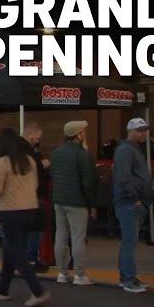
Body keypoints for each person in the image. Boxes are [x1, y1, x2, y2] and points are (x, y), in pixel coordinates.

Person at [0, 128, 51, 307]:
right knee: (11, 249)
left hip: (9, 210)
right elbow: (36, 184)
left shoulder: (2, 162)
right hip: (29, 208)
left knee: (16, 253)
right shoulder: (30, 161)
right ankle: (2, 289)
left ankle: (38, 291)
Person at [49, 120, 97, 286]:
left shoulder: (55, 152)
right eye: (83, 131)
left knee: (60, 236)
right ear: (78, 134)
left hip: (59, 199)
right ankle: (79, 274)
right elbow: (88, 181)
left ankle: (62, 273)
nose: (85, 134)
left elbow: (53, 174)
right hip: (77, 201)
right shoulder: (82, 154)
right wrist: (92, 205)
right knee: (78, 238)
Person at [113, 118, 154, 293]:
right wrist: (135, 198)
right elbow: (123, 177)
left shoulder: (133, 149)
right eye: (140, 130)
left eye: (145, 130)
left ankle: (128, 277)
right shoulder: (125, 150)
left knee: (130, 242)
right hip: (129, 202)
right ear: (130, 131)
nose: (144, 133)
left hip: (134, 202)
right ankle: (127, 279)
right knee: (129, 242)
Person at [20, 122, 50, 273]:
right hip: (33, 196)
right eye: (37, 137)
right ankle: (31, 259)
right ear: (31, 135)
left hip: (23, 197)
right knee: (34, 230)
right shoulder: (29, 154)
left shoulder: (18, 150)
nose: (38, 140)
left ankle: (27, 259)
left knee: (27, 231)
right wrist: (42, 165)